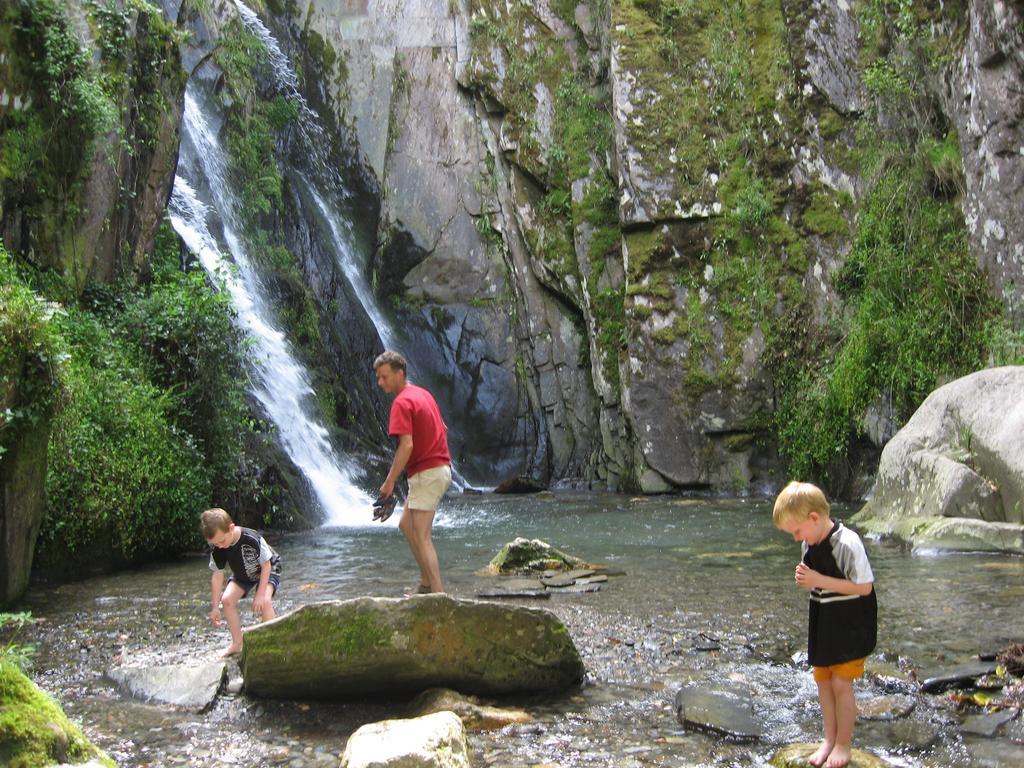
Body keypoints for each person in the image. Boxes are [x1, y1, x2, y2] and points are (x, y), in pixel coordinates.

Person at [773, 481, 877, 768]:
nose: (796, 538)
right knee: (823, 681)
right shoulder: (809, 543)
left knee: (842, 683)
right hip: (825, 622)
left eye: (796, 530)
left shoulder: (848, 543)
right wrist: (808, 581)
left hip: (851, 624)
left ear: (814, 518)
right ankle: (829, 738)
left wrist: (817, 581)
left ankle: (844, 743)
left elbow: (864, 588)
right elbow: (817, 583)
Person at [373, 350, 452, 594]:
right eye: (378, 377)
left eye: (384, 376)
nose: (380, 382)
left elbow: (406, 445)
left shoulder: (401, 403)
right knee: (407, 525)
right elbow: (444, 428)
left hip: (427, 473)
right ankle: (426, 583)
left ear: (400, 373)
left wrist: (389, 483)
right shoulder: (422, 394)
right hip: (438, 470)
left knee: (422, 535)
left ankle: (438, 595)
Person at [201, 507, 282, 658]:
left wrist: (259, 594)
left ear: (231, 528)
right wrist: (214, 607)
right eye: (215, 544)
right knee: (226, 600)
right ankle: (237, 644)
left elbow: (266, 566)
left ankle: (271, 641)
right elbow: (217, 576)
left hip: (268, 568)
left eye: (222, 541)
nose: (220, 546)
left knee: (264, 601)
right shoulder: (218, 548)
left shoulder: (251, 537)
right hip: (243, 572)